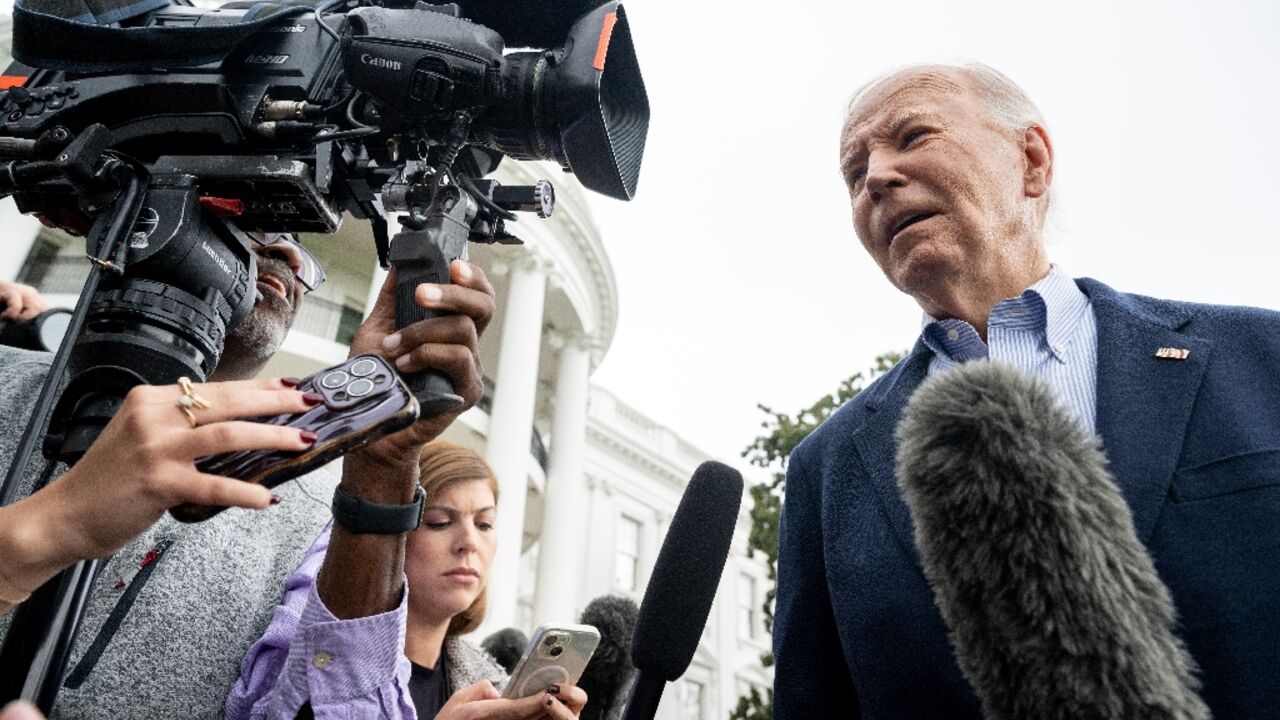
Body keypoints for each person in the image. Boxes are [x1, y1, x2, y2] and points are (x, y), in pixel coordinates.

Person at [771, 62, 1280, 718]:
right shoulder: (827, 468)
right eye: (853, 172)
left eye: (913, 136)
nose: (876, 177)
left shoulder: (1262, 358)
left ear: (1032, 161)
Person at [0, 235, 495, 719]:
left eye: (299, 244)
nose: (286, 252)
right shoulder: (6, 379)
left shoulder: (321, 515)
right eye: (250, 222)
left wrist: (380, 462)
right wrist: (42, 534)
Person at [227, 440, 586, 719]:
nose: (469, 543)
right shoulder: (316, 662)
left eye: (484, 524)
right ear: (394, 536)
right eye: (440, 522)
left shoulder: (491, 685)